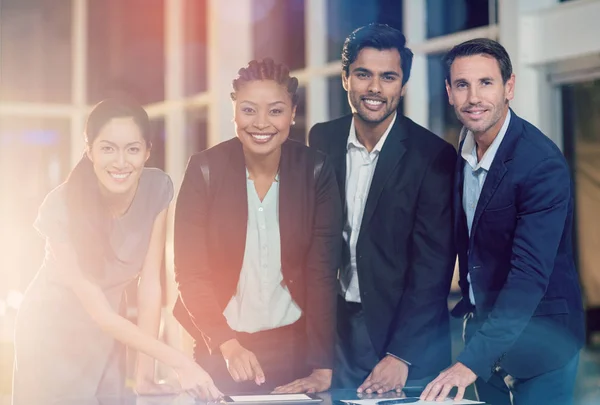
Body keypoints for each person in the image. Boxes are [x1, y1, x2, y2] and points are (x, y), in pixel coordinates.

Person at [12, 99, 222, 405]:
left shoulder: (157, 188)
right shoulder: (60, 208)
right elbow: (97, 310)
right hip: (51, 334)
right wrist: (180, 361)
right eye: (108, 148)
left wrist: (145, 375)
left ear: (147, 151)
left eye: (132, 149)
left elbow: (150, 285)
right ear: (90, 151)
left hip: (111, 335)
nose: (121, 162)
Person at [421, 38, 585, 405]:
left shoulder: (540, 165)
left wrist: (469, 362)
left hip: (542, 348)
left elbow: (528, 277)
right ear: (449, 92)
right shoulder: (459, 153)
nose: (473, 97)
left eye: (486, 82)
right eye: (462, 85)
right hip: (485, 339)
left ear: (509, 87)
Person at [173, 58, 343, 394]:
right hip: (219, 348)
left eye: (275, 111)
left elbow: (322, 271)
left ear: (293, 114)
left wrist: (323, 364)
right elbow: (190, 273)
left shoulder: (316, 170)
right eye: (249, 110)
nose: (261, 123)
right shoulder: (204, 170)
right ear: (234, 112)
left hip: (294, 350)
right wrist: (226, 343)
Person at [309, 23, 457, 394]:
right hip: (339, 333)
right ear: (346, 79)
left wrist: (401, 355)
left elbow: (433, 267)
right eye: (363, 74)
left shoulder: (433, 156)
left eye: (388, 77)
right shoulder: (322, 139)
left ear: (402, 85)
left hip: (405, 338)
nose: (375, 88)